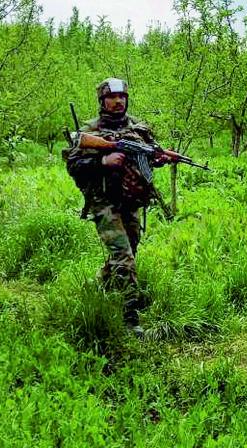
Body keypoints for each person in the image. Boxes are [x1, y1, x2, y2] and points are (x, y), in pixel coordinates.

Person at [64, 78, 172, 336]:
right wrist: (103, 161)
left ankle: (101, 288)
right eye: (112, 97)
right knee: (124, 258)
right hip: (104, 203)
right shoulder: (91, 130)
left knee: (128, 252)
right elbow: (73, 166)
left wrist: (158, 159)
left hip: (131, 202)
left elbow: (146, 157)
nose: (118, 102)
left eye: (122, 97)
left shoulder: (138, 128)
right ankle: (130, 318)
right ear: (102, 101)